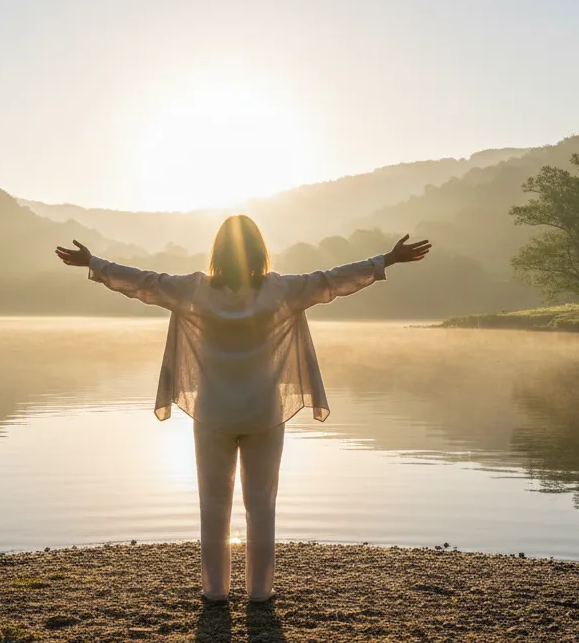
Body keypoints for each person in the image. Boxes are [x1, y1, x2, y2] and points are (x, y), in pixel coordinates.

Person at [55, 215, 430, 603]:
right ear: (259, 252)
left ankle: (215, 591)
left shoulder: (196, 290)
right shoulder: (279, 290)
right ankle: (259, 592)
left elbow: (144, 283)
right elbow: (331, 280)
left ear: (217, 252)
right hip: (264, 411)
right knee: (261, 503)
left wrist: (94, 264)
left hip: (213, 411)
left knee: (213, 504)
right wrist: (387, 259)